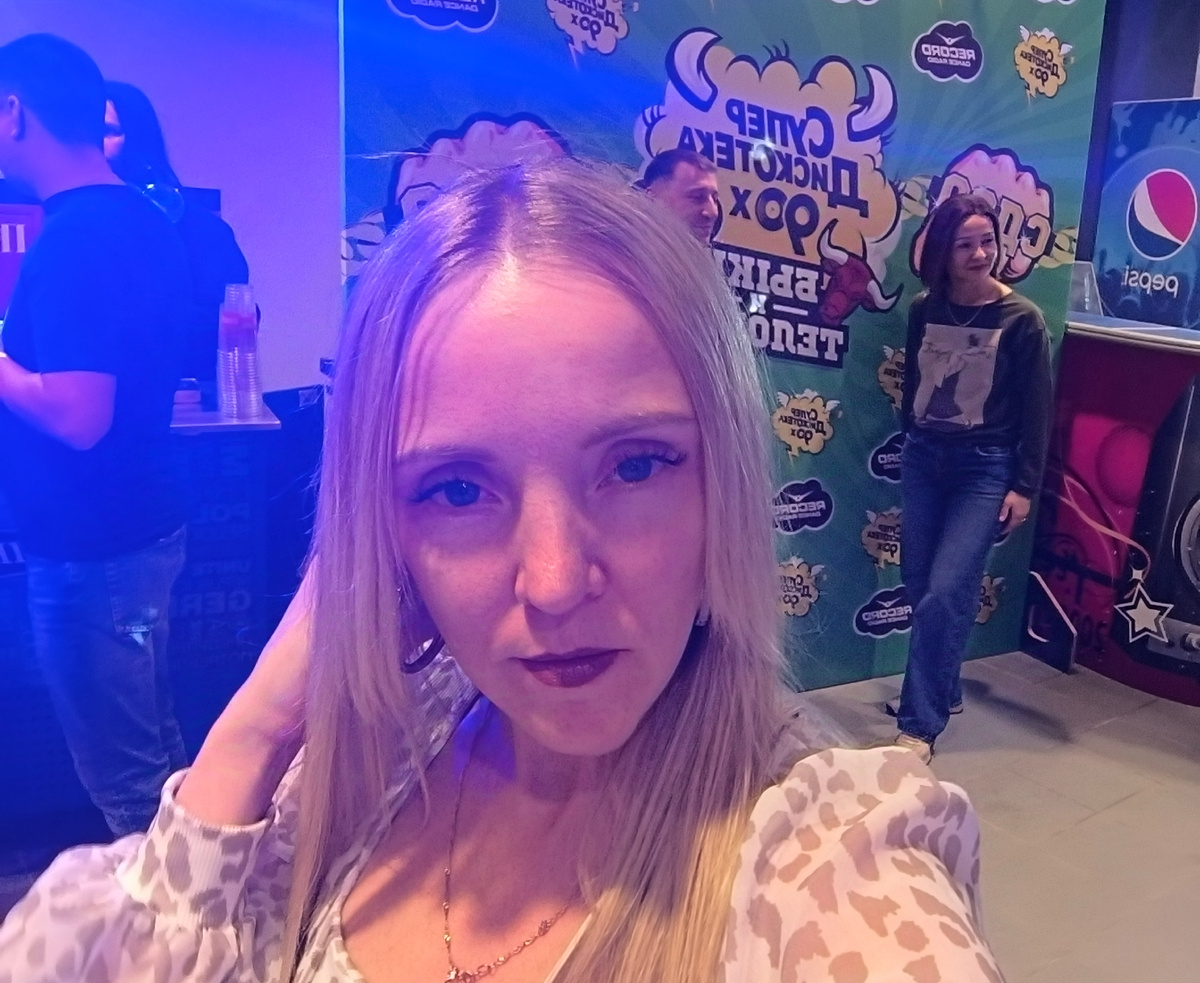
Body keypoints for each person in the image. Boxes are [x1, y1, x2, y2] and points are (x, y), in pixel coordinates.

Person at [0, 161, 1002, 982]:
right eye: (457, 488)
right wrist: (263, 717)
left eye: (636, 465)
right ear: (383, 528)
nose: (556, 583)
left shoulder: (822, 853)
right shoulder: (393, 741)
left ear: (723, 484)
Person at [0, 35, 192, 836]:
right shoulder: (143, 219)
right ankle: (210, 900)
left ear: (13, 112)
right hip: (136, 532)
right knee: (159, 758)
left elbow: (80, 417)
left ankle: (174, 917)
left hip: (93, 552)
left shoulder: (76, 238)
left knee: (127, 783)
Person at [888, 192, 1053, 763]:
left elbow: (1037, 409)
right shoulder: (924, 309)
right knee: (919, 584)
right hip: (924, 458)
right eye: (965, 244)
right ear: (943, 250)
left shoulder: (1022, 319)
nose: (980, 254)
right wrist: (911, 436)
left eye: (987, 241)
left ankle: (919, 725)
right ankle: (945, 686)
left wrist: (1024, 486)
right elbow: (914, 380)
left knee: (945, 590)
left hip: (983, 468)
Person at [103, 80, 250, 386]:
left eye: (107, 132)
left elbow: (221, 327)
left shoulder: (201, 231)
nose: (93, 147)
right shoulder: (56, 224)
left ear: (139, 141)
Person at [640, 147, 720, 243]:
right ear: (651, 198)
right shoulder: (627, 249)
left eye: (715, 199)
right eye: (697, 196)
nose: (713, 212)